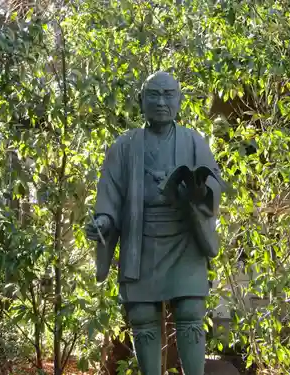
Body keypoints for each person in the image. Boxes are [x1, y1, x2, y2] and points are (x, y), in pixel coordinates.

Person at [86, 71, 224, 375]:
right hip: (141, 240)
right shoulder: (125, 145)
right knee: (143, 316)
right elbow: (110, 193)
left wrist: (199, 191)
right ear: (141, 101)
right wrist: (104, 222)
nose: (161, 102)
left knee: (190, 312)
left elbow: (215, 183)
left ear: (179, 100)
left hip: (184, 237)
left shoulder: (193, 140)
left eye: (168, 95)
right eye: (153, 95)